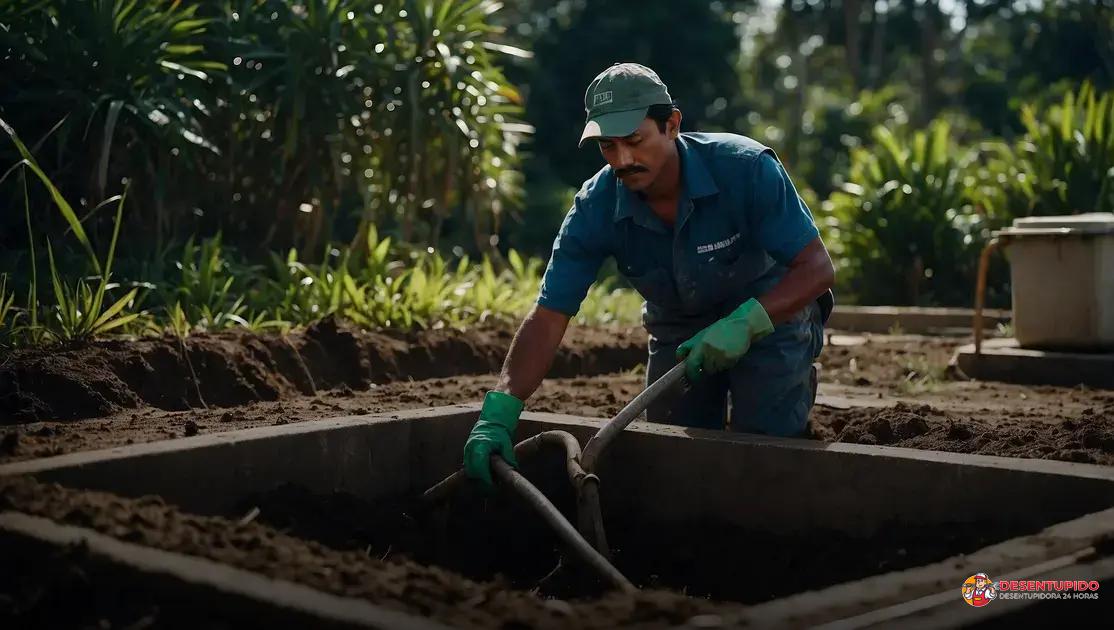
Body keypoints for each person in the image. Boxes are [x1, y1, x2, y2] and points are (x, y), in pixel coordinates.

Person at [462, 62, 835, 488]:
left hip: (769, 316)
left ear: (671, 124)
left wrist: (744, 323)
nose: (622, 159)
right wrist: (500, 411)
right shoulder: (595, 207)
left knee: (767, 447)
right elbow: (548, 317)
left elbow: (817, 269)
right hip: (678, 327)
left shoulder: (745, 168)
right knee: (675, 454)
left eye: (635, 140)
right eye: (607, 146)